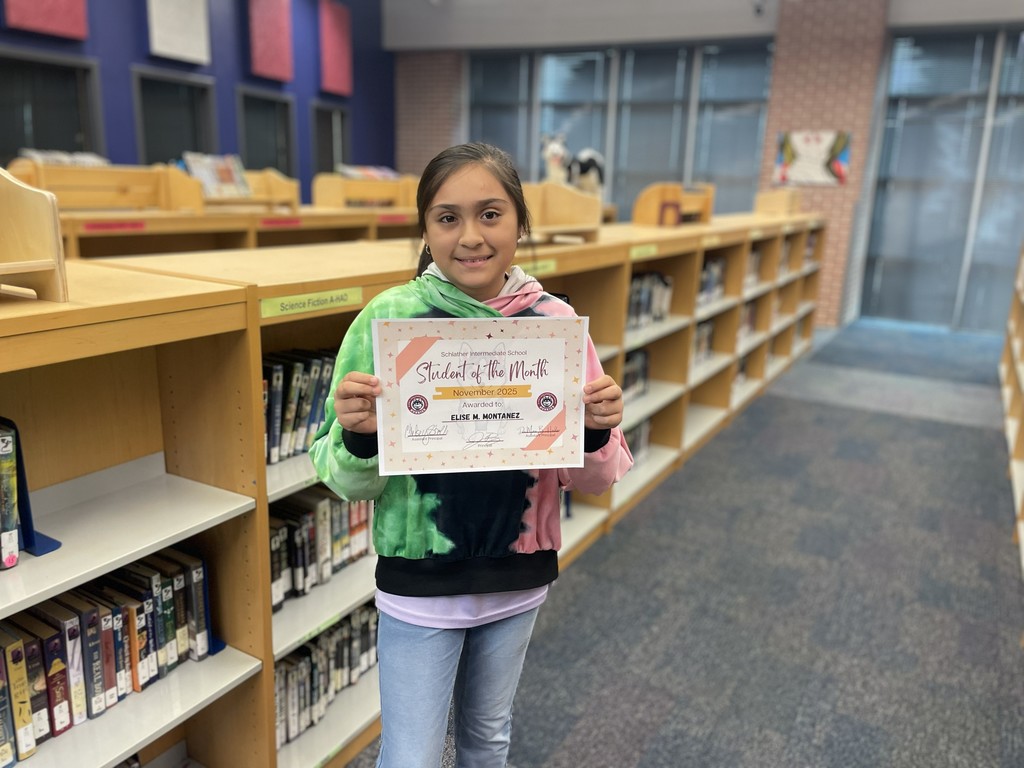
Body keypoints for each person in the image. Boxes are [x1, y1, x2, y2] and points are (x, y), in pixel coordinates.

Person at [310, 142, 633, 768]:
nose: (471, 236)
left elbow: (591, 475)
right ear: (425, 231)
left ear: (520, 223)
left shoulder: (553, 323)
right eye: (447, 217)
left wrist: (595, 430)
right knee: (411, 756)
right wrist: (358, 436)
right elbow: (344, 476)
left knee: (489, 740)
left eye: (490, 214)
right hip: (420, 582)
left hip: (517, 576)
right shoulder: (390, 319)